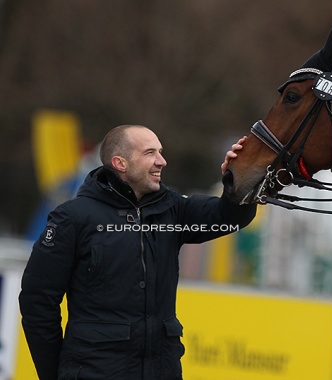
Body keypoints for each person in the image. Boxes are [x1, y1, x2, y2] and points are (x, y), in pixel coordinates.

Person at [19, 125, 256, 380]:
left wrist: (240, 178)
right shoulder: (71, 218)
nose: (162, 161)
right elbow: (38, 303)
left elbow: (230, 217)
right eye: (150, 153)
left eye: (161, 152)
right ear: (120, 163)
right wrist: (54, 374)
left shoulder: (174, 210)